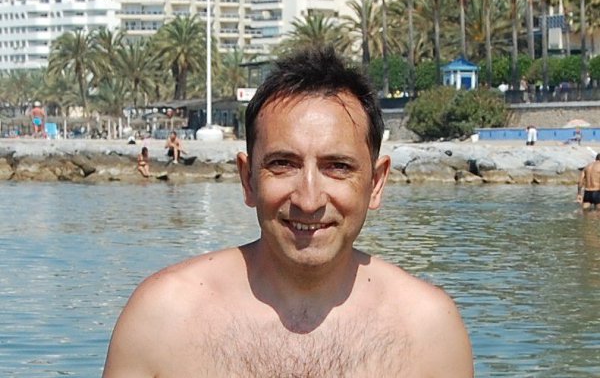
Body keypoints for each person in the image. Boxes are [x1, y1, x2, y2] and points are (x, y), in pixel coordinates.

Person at [103, 46, 473, 377]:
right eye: (283, 164)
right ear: (248, 179)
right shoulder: (164, 318)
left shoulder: (427, 330)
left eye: (337, 167)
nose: (308, 200)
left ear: (376, 183)